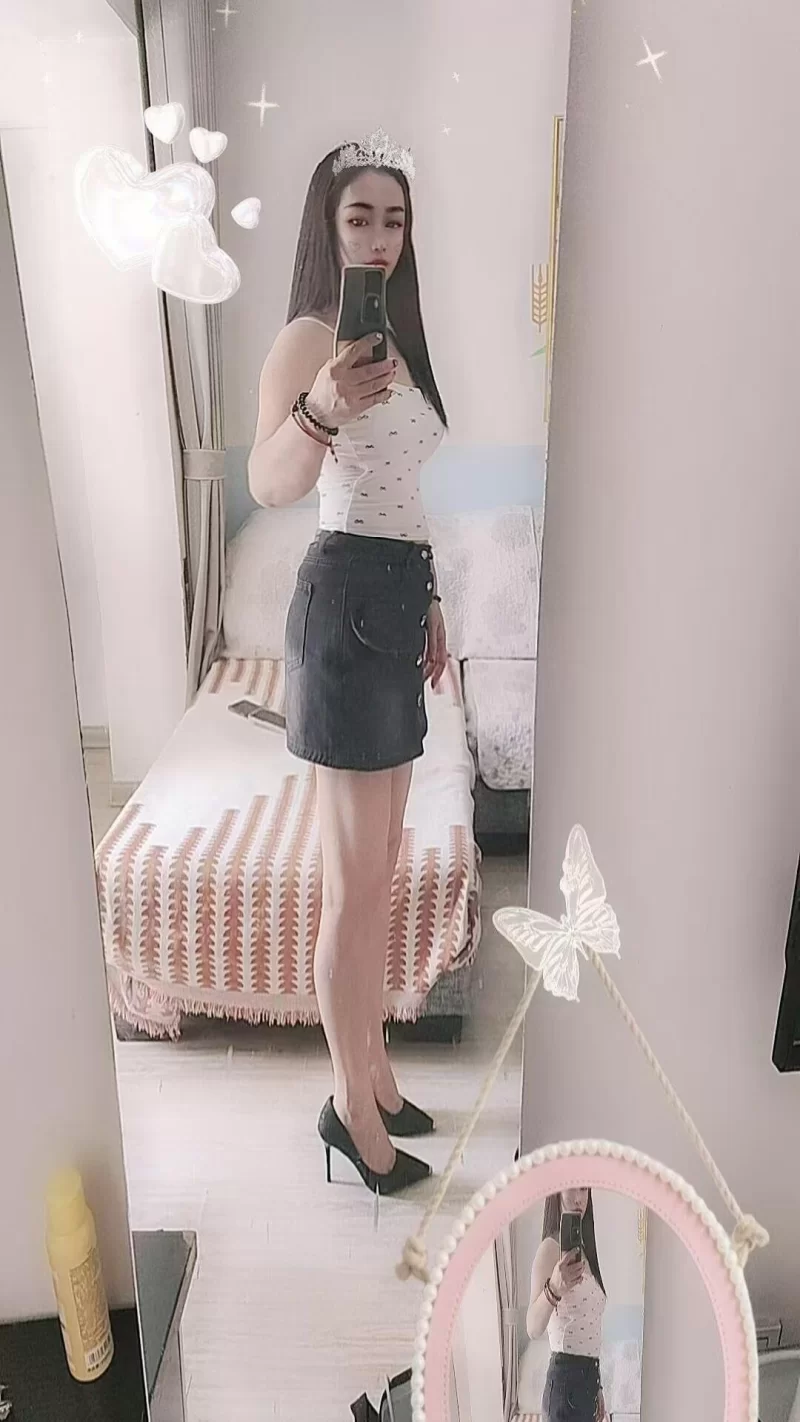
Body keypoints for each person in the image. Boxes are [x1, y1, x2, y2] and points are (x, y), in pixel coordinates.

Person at [247, 132, 448, 1197]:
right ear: (327, 228)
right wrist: (321, 407)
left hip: (396, 602)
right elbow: (269, 481)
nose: (377, 236)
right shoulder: (310, 339)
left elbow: (402, 492)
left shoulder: (398, 338)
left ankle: (373, 1073)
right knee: (352, 891)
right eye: (358, 216)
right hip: (343, 608)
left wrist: (434, 598)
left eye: (393, 219)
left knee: (376, 880)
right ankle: (347, 1110)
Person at [527, 1189, 608, 1421]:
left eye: (584, 1188)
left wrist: (597, 1385)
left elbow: (589, 1331)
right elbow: (532, 1328)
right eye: (572, 1186)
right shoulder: (550, 1249)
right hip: (565, 1386)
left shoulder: (585, 1252)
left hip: (588, 1382)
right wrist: (554, 1287)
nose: (578, 1198)